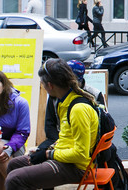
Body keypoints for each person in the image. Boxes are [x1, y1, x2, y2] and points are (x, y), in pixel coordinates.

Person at [6, 59, 99, 190]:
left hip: (76, 167)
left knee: (14, 179)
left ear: (50, 85)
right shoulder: (63, 102)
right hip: (64, 158)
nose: (43, 87)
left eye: (42, 83)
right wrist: (46, 149)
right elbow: (66, 138)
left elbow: (80, 154)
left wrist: (47, 155)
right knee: (14, 165)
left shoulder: (78, 109)